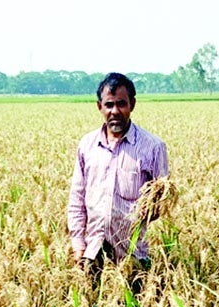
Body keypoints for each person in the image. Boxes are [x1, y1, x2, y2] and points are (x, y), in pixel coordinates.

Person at [67, 72, 169, 294]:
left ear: (132, 104)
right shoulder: (87, 145)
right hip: (92, 254)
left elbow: (161, 204)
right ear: (99, 107)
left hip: (132, 257)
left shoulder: (153, 148)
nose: (115, 111)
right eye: (109, 105)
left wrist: (144, 212)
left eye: (121, 104)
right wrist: (78, 245)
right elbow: (77, 199)